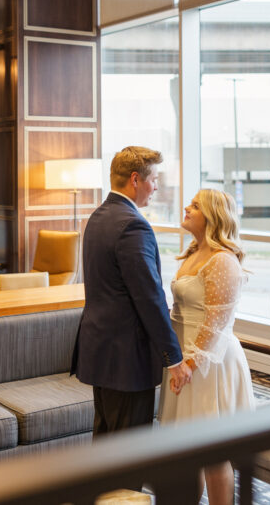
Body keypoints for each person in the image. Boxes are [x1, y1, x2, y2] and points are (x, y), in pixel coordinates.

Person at [71, 146, 193, 437]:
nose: (156, 187)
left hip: (101, 349)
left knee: (105, 440)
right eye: (154, 179)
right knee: (128, 452)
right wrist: (173, 358)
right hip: (127, 358)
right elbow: (149, 298)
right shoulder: (133, 226)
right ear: (136, 179)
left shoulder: (98, 217)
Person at [158, 188, 255, 505]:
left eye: (195, 206)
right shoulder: (192, 253)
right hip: (184, 359)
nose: (186, 208)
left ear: (212, 217)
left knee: (212, 452)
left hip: (209, 363)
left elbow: (218, 322)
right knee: (189, 448)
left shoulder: (222, 260)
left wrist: (190, 364)